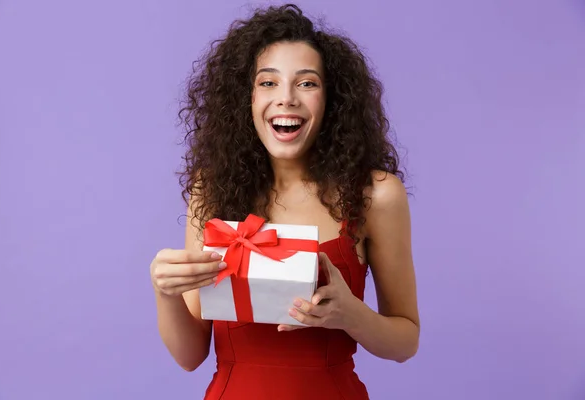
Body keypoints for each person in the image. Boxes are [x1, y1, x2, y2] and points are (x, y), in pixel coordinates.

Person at [150, 3, 420, 399]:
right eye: (268, 82)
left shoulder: (376, 194)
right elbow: (191, 355)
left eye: (307, 83)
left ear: (332, 99)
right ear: (246, 97)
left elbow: (405, 341)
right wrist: (165, 292)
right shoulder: (211, 189)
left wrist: (352, 315)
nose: (287, 98)